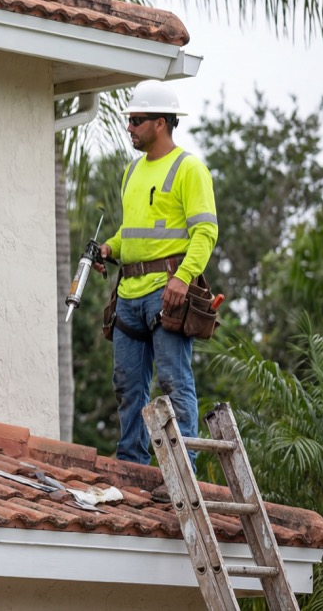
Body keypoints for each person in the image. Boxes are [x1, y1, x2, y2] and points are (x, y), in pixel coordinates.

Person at [95, 80, 218, 472]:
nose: (129, 127)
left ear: (161, 123)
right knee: (128, 388)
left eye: (137, 120)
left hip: (168, 293)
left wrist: (183, 278)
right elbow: (131, 232)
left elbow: (205, 232)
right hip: (129, 296)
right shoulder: (131, 172)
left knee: (173, 383)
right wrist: (109, 249)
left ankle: (181, 469)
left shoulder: (189, 169)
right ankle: (133, 466)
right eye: (129, 120)